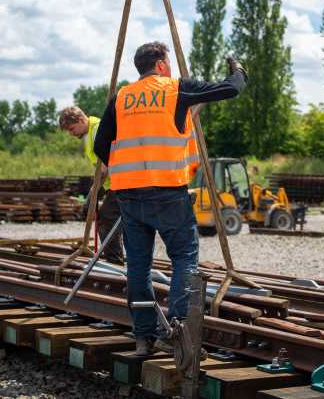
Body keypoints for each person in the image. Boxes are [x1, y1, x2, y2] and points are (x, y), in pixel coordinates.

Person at [93, 41, 247, 356]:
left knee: (137, 266)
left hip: (129, 194)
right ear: (162, 65)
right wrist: (238, 70)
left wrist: (129, 166)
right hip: (167, 192)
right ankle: (178, 332)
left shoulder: (121, 98)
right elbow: (230, 89)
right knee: (184, 259)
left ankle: (143, 337)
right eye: (169, 62)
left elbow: (100, 145)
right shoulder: (175, 90)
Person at [59, 106, 125, 265]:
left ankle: (115, 262)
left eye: (72, 129)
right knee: (113, 218)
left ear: (81, 120)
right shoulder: (90, 133)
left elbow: (104, 169)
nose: (71, 133)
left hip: (122, 180)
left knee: (107, 218)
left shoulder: (96, 131)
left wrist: (93, 194)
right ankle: (118, 258)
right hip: (114, 181)